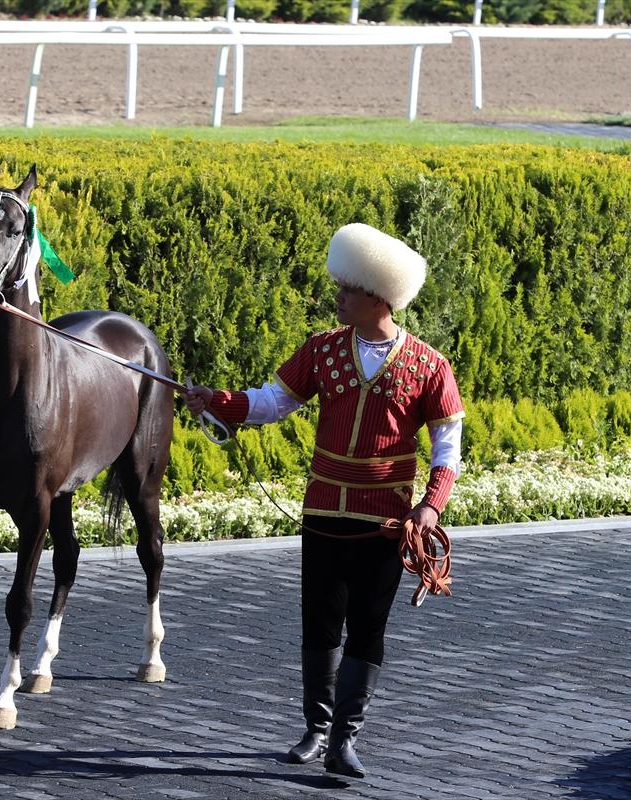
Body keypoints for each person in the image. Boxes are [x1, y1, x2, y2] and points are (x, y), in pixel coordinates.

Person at [185, 223, 464, 779]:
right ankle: (316, 728)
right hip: (323, 516)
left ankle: (344, 739)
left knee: (368, 629)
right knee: (319, 624)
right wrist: (219, 400)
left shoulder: (430, 366)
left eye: (347, 289)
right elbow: (273, 401)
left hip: (387, 525)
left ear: (377, 296)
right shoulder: (322, 349)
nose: (337, 296)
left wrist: (430, 505)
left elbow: (447, 447)